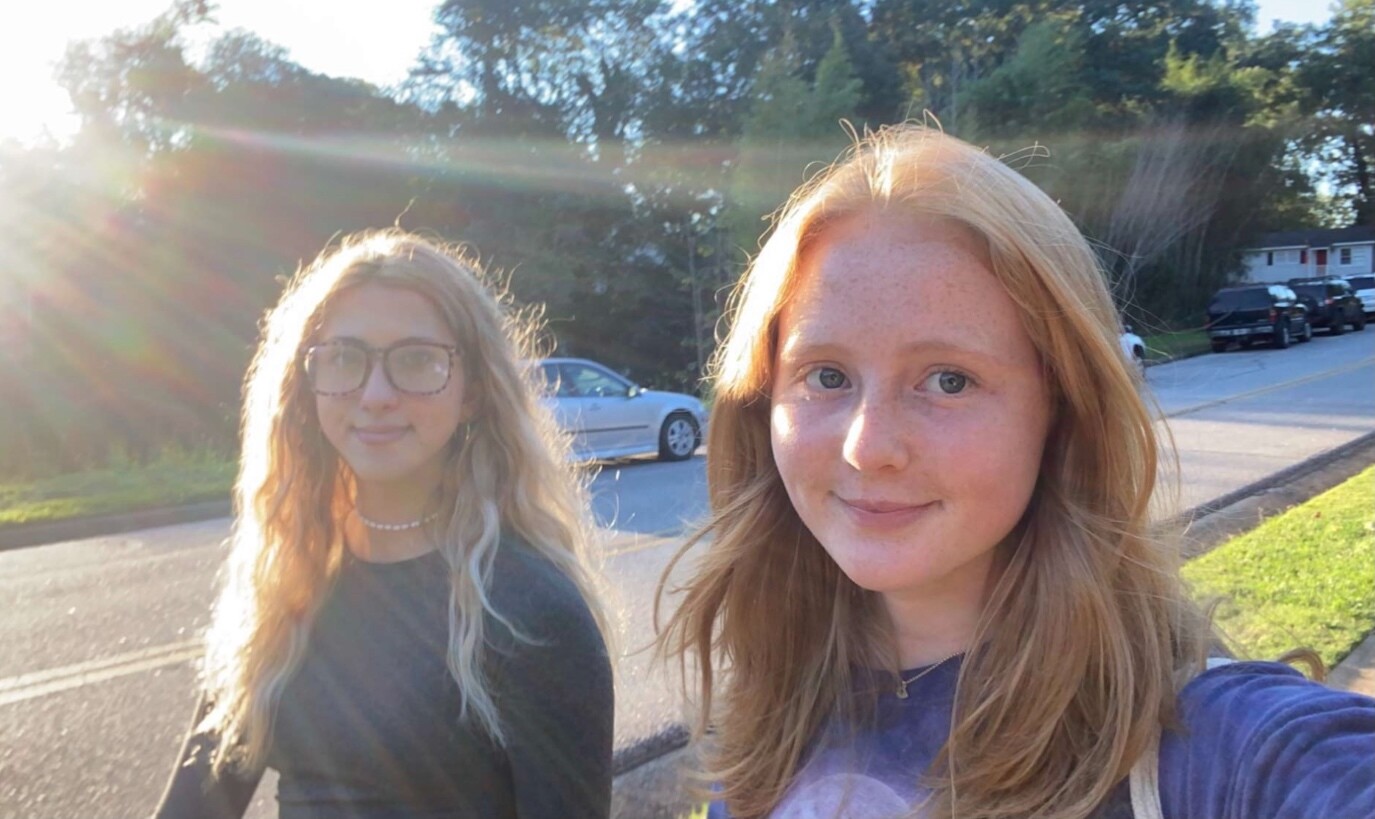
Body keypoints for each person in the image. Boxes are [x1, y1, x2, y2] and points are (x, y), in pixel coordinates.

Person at [657, 125, 1375, 819]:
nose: (866, 447)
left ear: (1062, 411)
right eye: (826, 375)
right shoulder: (769, 706)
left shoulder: (1217, 745)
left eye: (948, 380)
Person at [154, 230, 614, 818]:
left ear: (473, 391)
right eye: (344, 358)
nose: (374, 395)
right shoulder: (284, 589)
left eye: (417, 360)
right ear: (307, 384)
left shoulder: (531, 611)